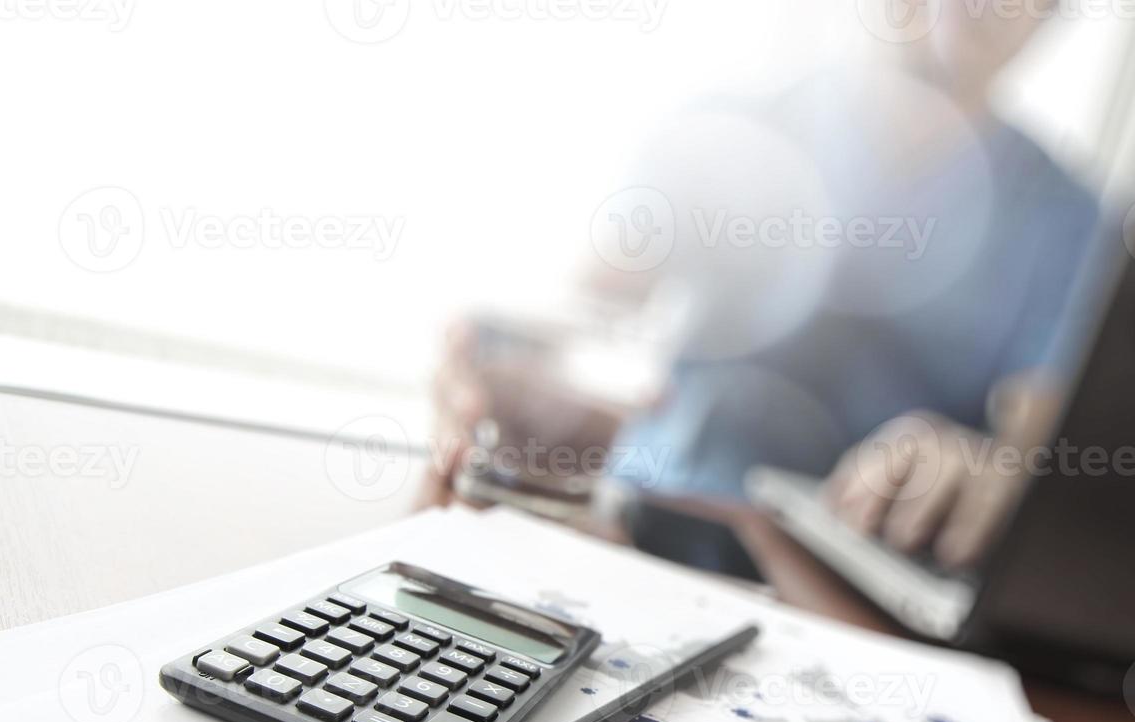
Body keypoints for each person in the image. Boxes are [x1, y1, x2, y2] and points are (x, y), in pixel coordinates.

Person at [426, 2, 1099, 570]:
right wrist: (494, 369)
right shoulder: (720, 131)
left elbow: (1033, 456)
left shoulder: (1071, 224)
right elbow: (574, 322)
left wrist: (986, 473)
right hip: (634, 537)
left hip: (861, 585)